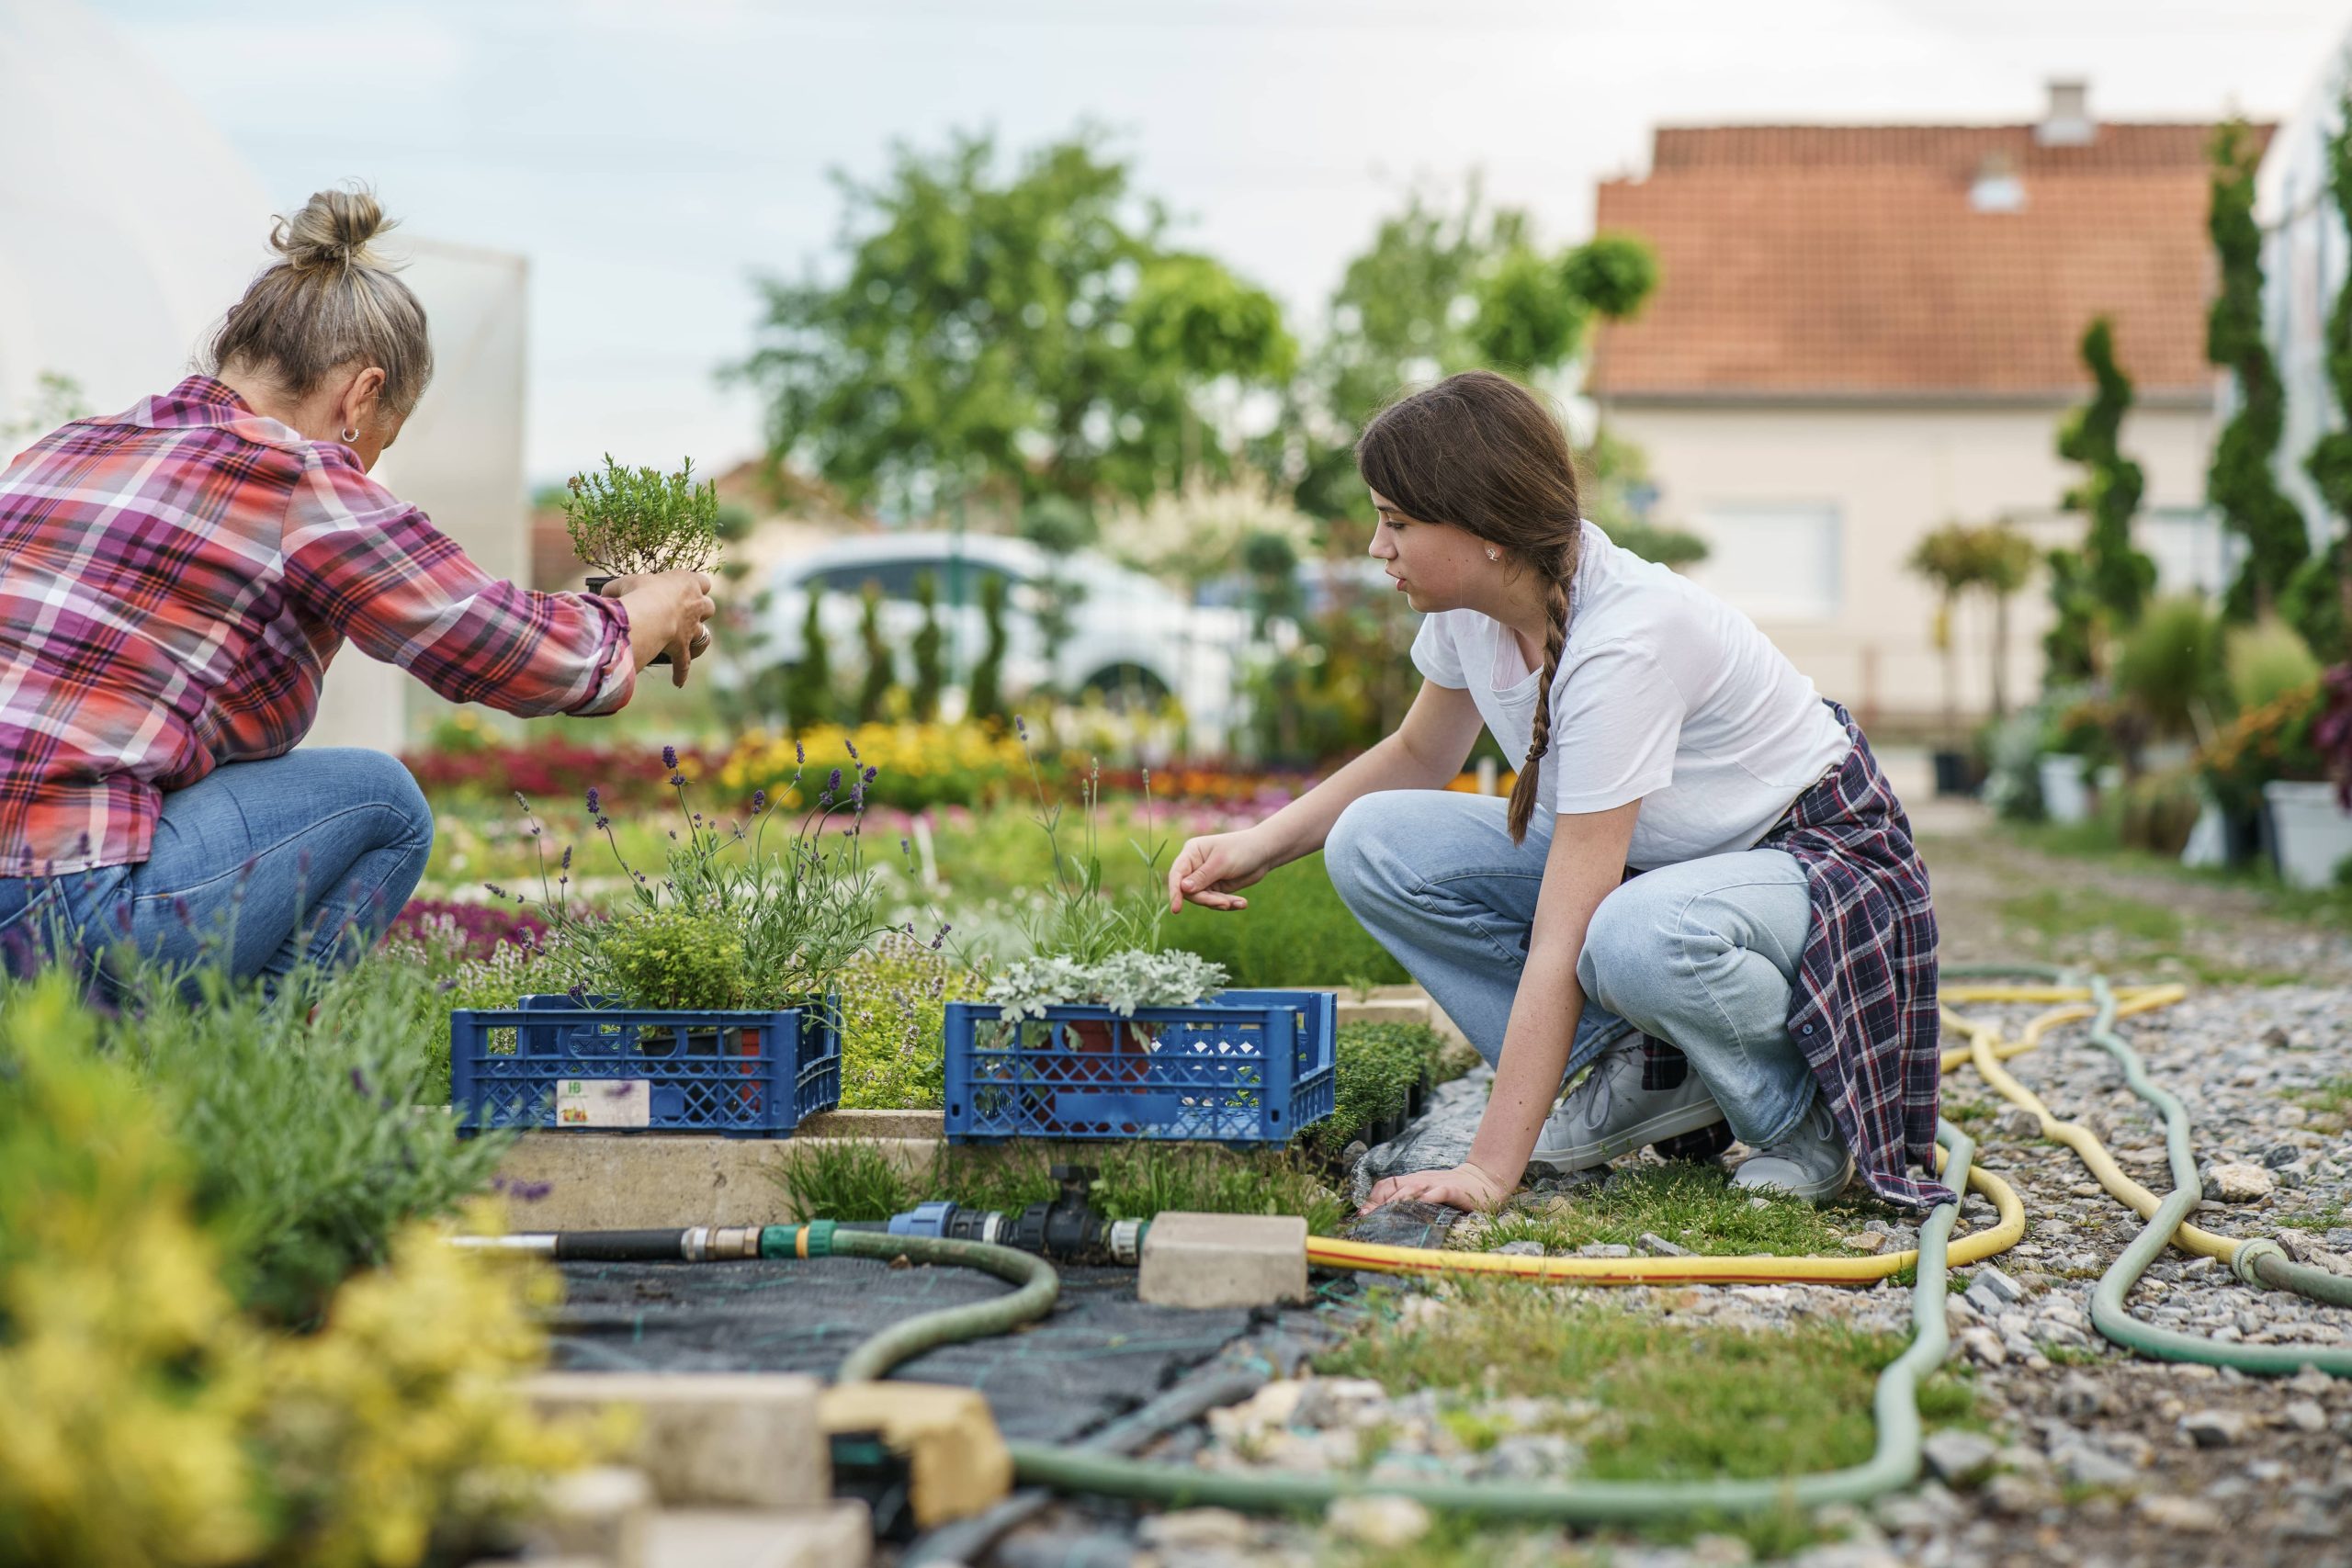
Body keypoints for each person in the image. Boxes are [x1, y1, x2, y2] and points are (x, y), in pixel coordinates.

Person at [1167, 371, 1944, 1213]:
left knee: (1636, 934)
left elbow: (1563, 930)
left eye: (1395, 522)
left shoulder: (1625, 644)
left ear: (1487, 531)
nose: (1375, 547)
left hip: (1811, 858)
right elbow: (1419, 753)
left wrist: (1488, 1169)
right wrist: (1256, 844)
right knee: (1373, 841)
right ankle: (1641, 1075)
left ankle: (1804, 1120)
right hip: (1673, 856)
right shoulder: (1473, 606)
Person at [0, 186, 715, 996]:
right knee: (384, 803)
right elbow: (517, 652)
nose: (365, 468)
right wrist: (646, 613)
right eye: (380, 442)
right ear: (361, 398)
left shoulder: (65, 449)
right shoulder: (295, 476)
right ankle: (223, 1089)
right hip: (65, 909)